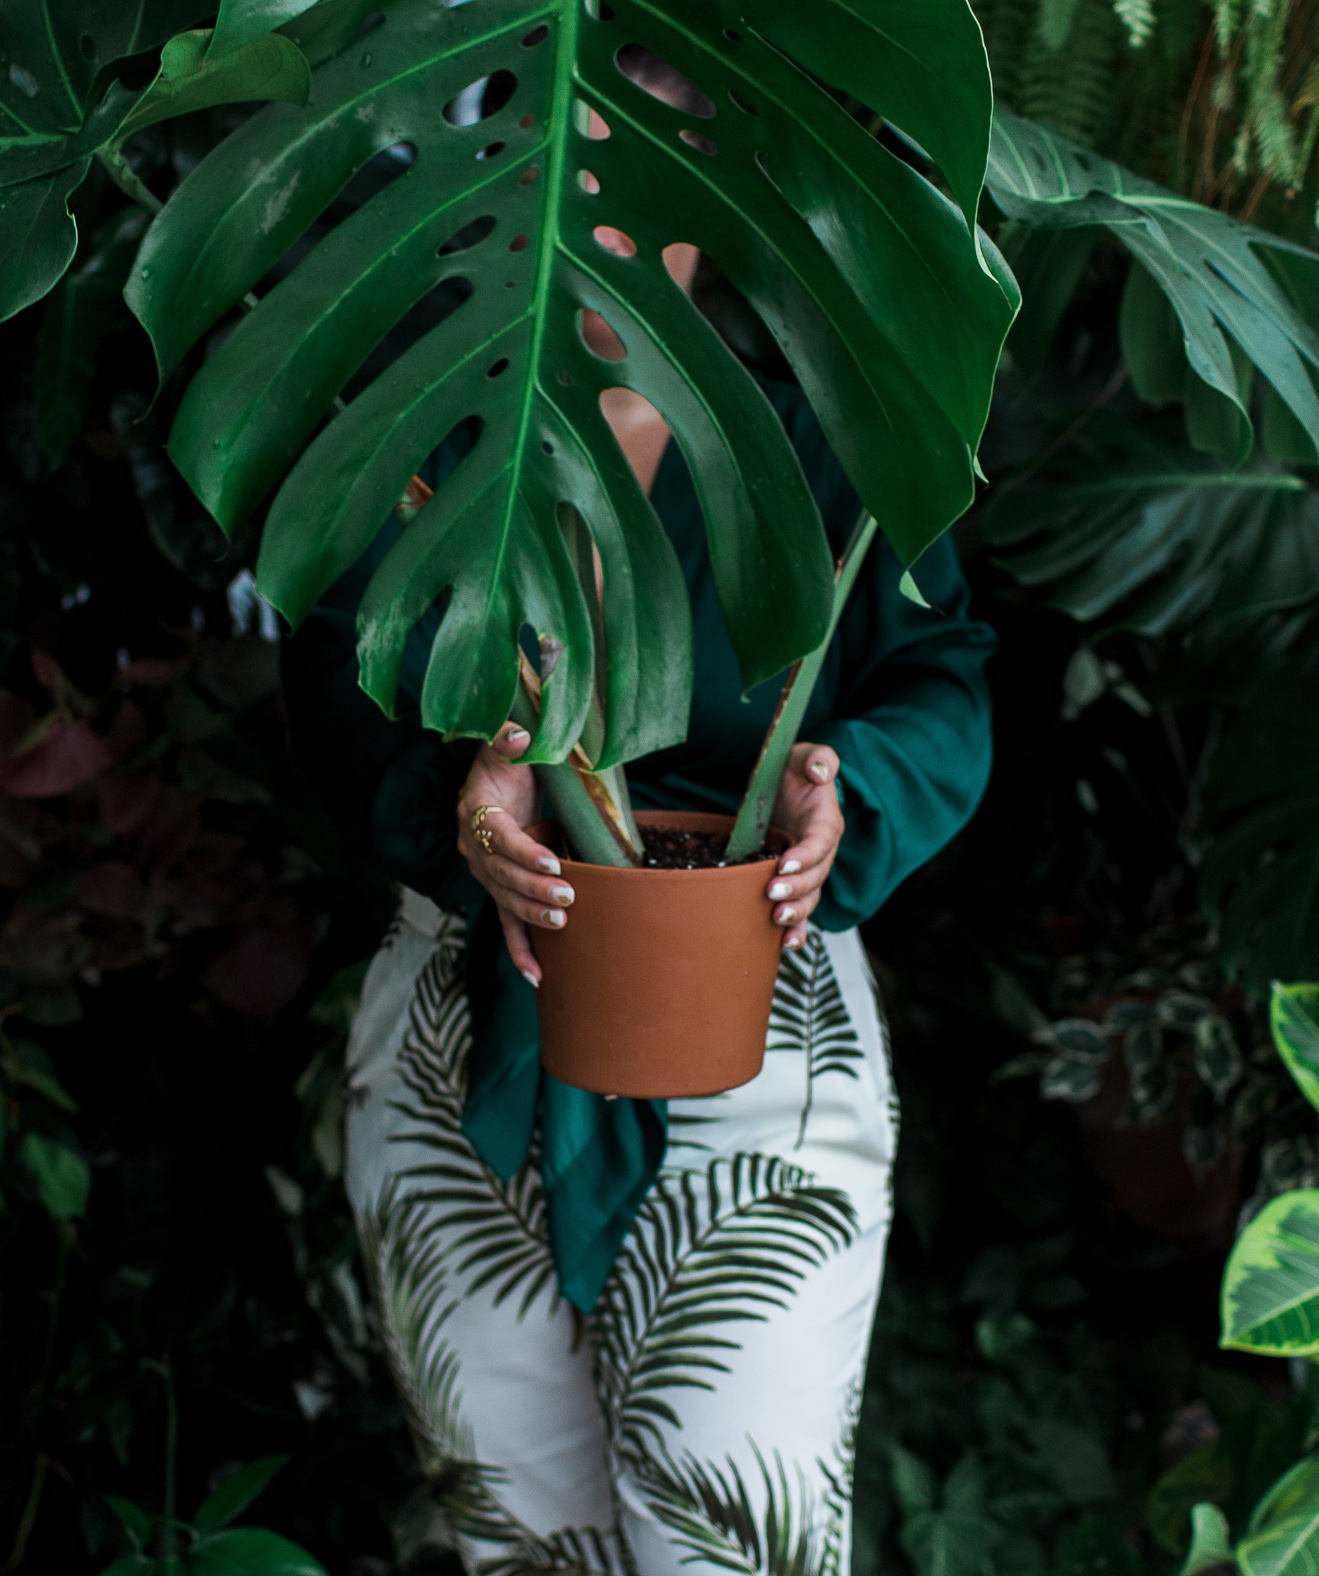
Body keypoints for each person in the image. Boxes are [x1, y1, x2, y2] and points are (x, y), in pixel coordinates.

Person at [282, 235, 996, 1576]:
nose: (581, 223)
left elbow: (942, 678)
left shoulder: (828, 436)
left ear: (710, 193)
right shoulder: (418, 430)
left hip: (758, 1023)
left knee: (738, 1547)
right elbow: (333, 670)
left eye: (627, 180)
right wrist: (466, 787)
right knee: (523, 1549)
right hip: (460, 1045)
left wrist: (850, 792)